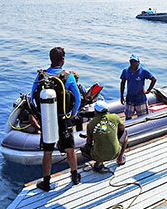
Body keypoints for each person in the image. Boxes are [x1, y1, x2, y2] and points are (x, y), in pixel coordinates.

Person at [30, 47, 81, 191]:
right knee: (70, 149)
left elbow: (33, 96)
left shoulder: (41, 76)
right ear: (63, 60)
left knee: (48, 151)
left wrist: (40, 114)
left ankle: (46, 182)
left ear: (50, 59)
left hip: (47, 119)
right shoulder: (68, 76)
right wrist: (72, 114)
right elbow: (77, 99)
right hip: (63, 119)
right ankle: (75, 177)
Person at [82, 100, 128, 171]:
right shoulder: (115, 117)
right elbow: (122, 128)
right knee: (125, 135)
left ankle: (98, 163)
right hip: (115, 153)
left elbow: (89, 142)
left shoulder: (91, 124)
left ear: (95, 110)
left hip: (98, 155)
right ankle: (120, 159)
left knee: (89, 147)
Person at [120, 54, 157, 120]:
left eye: (134, 62)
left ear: (138, 62)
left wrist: (148, 90)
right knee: (128, 116)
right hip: (130, 98)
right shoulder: (125, 71)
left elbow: (154, 79)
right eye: (131, 62)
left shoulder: (143, 71)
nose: (133, 63)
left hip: (140, 99)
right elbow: (122, 83)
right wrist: (122, 96)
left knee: (142, 117)